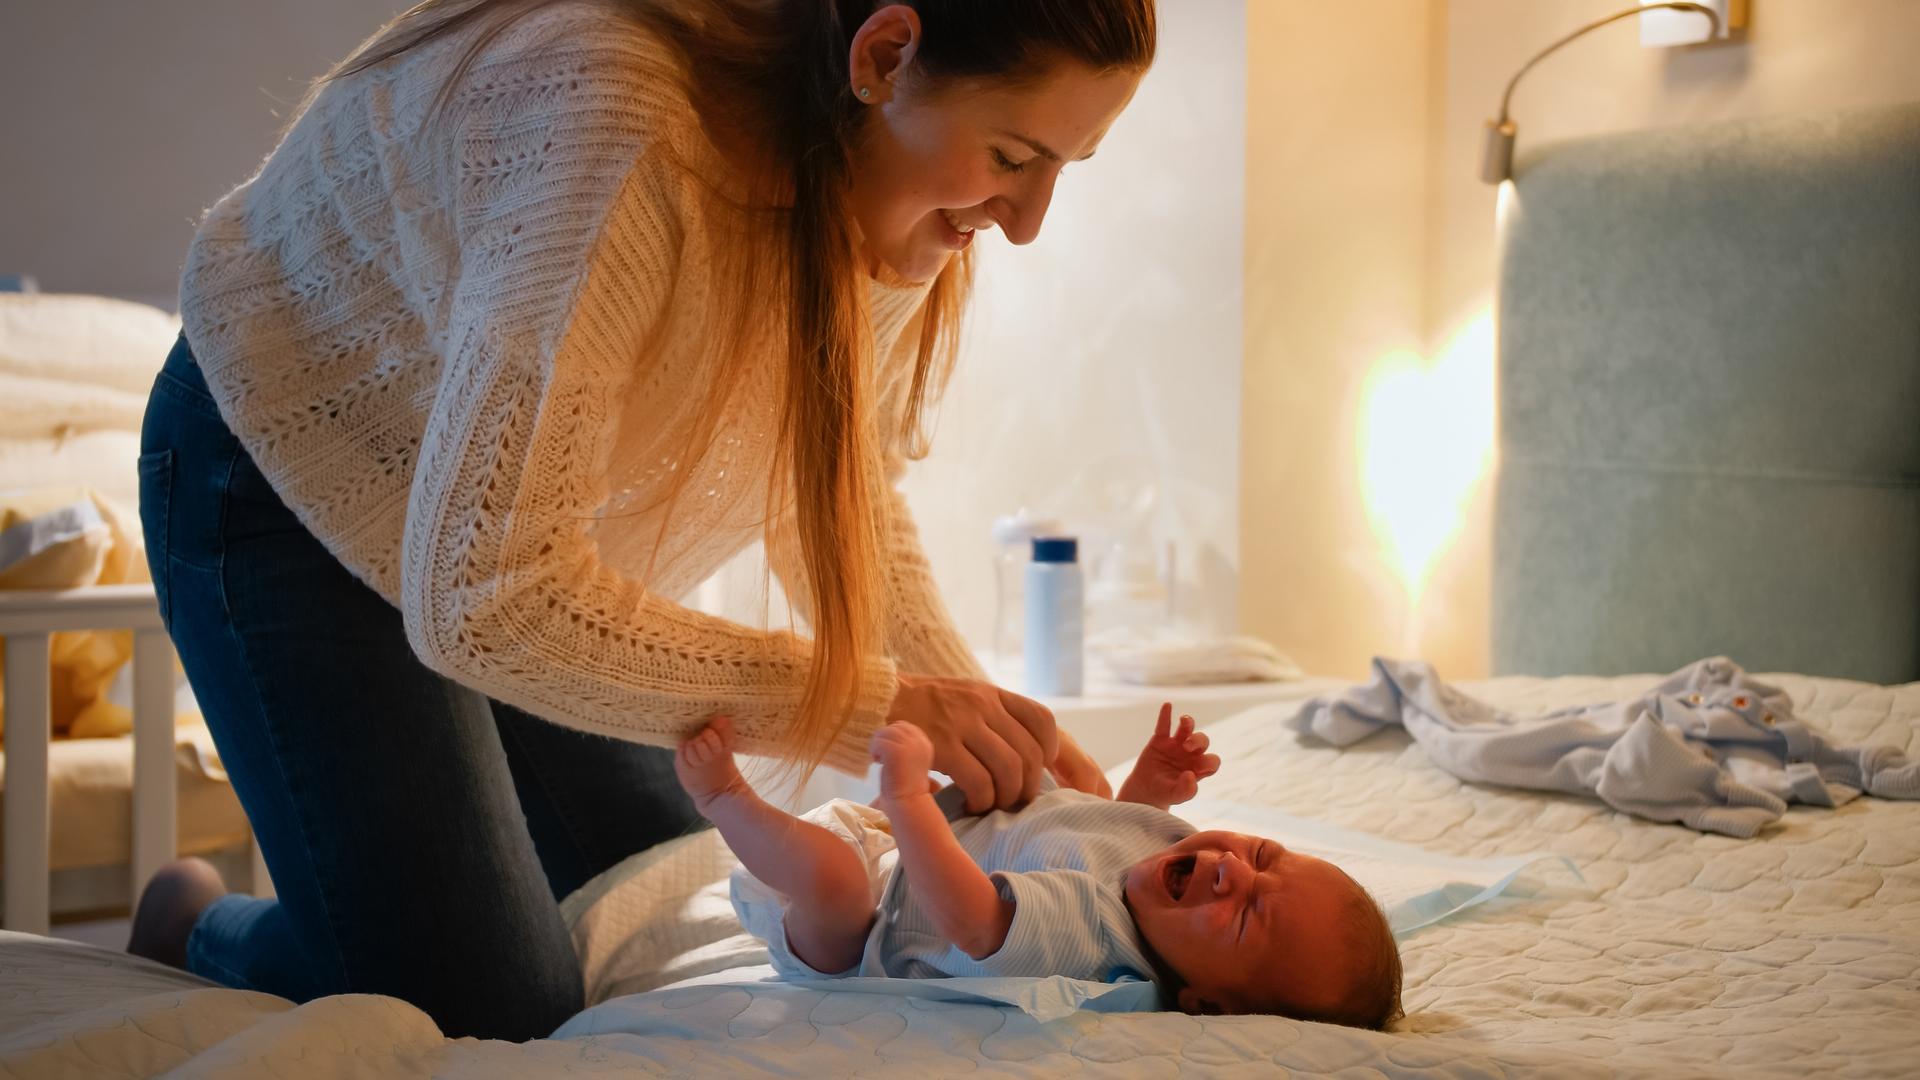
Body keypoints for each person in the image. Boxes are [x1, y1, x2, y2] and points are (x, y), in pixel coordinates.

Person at [127, 0, 1154, 1040]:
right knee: (492, 1008)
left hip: (501, 553)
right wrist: (873, 700)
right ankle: (195, 923)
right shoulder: (617, 125)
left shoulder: (899, 195)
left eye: (1067, 165)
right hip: (285, 465)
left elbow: (837, 493)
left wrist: (972, 727)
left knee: (665, 912)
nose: (1028, 222)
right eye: (1016, 156)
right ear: (885, 56)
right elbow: (486, 600)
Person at [676, 704, 1404, 1029]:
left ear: (1206, 1004)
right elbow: (1098, 834)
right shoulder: (1169, 872)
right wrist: (1146, 787)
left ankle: (724, 796)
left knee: (831, 880)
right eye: (1263, 855)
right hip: (908, 851)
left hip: (864, 937)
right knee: (1065, 776)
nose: (1232, 872)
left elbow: (973, 920)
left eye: (1247, 914)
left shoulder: (1094, 941)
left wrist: (907, 801)